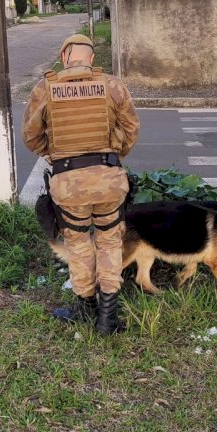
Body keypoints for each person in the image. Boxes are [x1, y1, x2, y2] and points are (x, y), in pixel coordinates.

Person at [22, 33, 140, 334]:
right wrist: (114, 156)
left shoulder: (46, 87)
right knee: (110, 241)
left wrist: (56, 156)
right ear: (91, 59)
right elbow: (131, 129)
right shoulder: (111, 85)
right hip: (109, 180)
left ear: (64, 57)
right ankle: (108, 317)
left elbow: (31, 137)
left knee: (77, 244)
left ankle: (86, 308)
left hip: (68, 183)